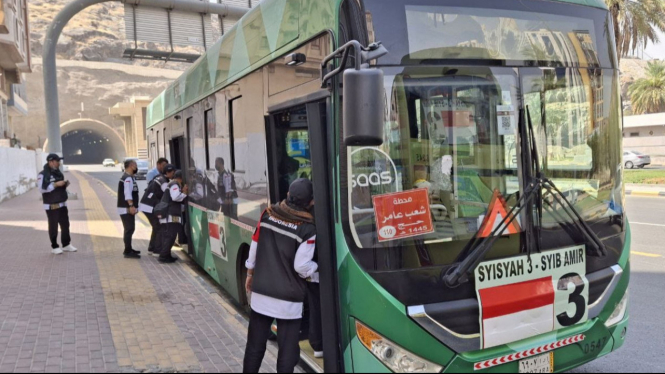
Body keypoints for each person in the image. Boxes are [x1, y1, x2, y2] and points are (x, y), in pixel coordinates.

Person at [243, 178, 318, 374]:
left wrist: (250, 274)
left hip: (262, 294)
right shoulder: (307, 229)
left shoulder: (267, 215)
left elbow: (254, 248)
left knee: (254, 347)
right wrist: (316, 268)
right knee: (287, 352)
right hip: (289, 302)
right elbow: (301, 267)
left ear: (287, 195)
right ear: (311, 202)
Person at [38, 154, 77, 255]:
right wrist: (55, 184)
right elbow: (41, 189)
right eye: (57, 161)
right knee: (53, 226)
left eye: (59, 161)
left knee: (65, 225)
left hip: (62, 203)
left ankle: (66, 244)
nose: (59, 163)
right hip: (51, 205)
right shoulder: (42, 174)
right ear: (50, 162)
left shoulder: (58, 173)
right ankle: (54, 246)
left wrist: (63, 184)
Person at [139, 164, 176, 257]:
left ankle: (151, 249)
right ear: (168, 172)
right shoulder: (164, 182)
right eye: (173, 173)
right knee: (159, 227)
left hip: (146, 205)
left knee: (156, 227)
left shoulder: (159, 177)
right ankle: (157, 250)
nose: (174, 174)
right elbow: (169, 195)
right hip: (150, 206)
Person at [159, 170, 189, 264]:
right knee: (170, 236)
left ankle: (167, 255)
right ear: (181, 178)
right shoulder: (174, 184)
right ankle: (163, 256)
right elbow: (175, 197)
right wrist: (184, 193)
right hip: (170, 215)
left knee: (171, 236)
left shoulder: (173, 184)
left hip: (171, 214)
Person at [118, 159, 141, 259]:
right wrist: (131, 206)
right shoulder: (127, 178)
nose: (136, 167)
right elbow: (127, 194)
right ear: (131, 166)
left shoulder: (128, 177)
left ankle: (129, 248)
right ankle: (127, 251)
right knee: (129, 229)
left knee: (130, 228)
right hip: (126, 208)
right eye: (135, 165)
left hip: (126, 208)